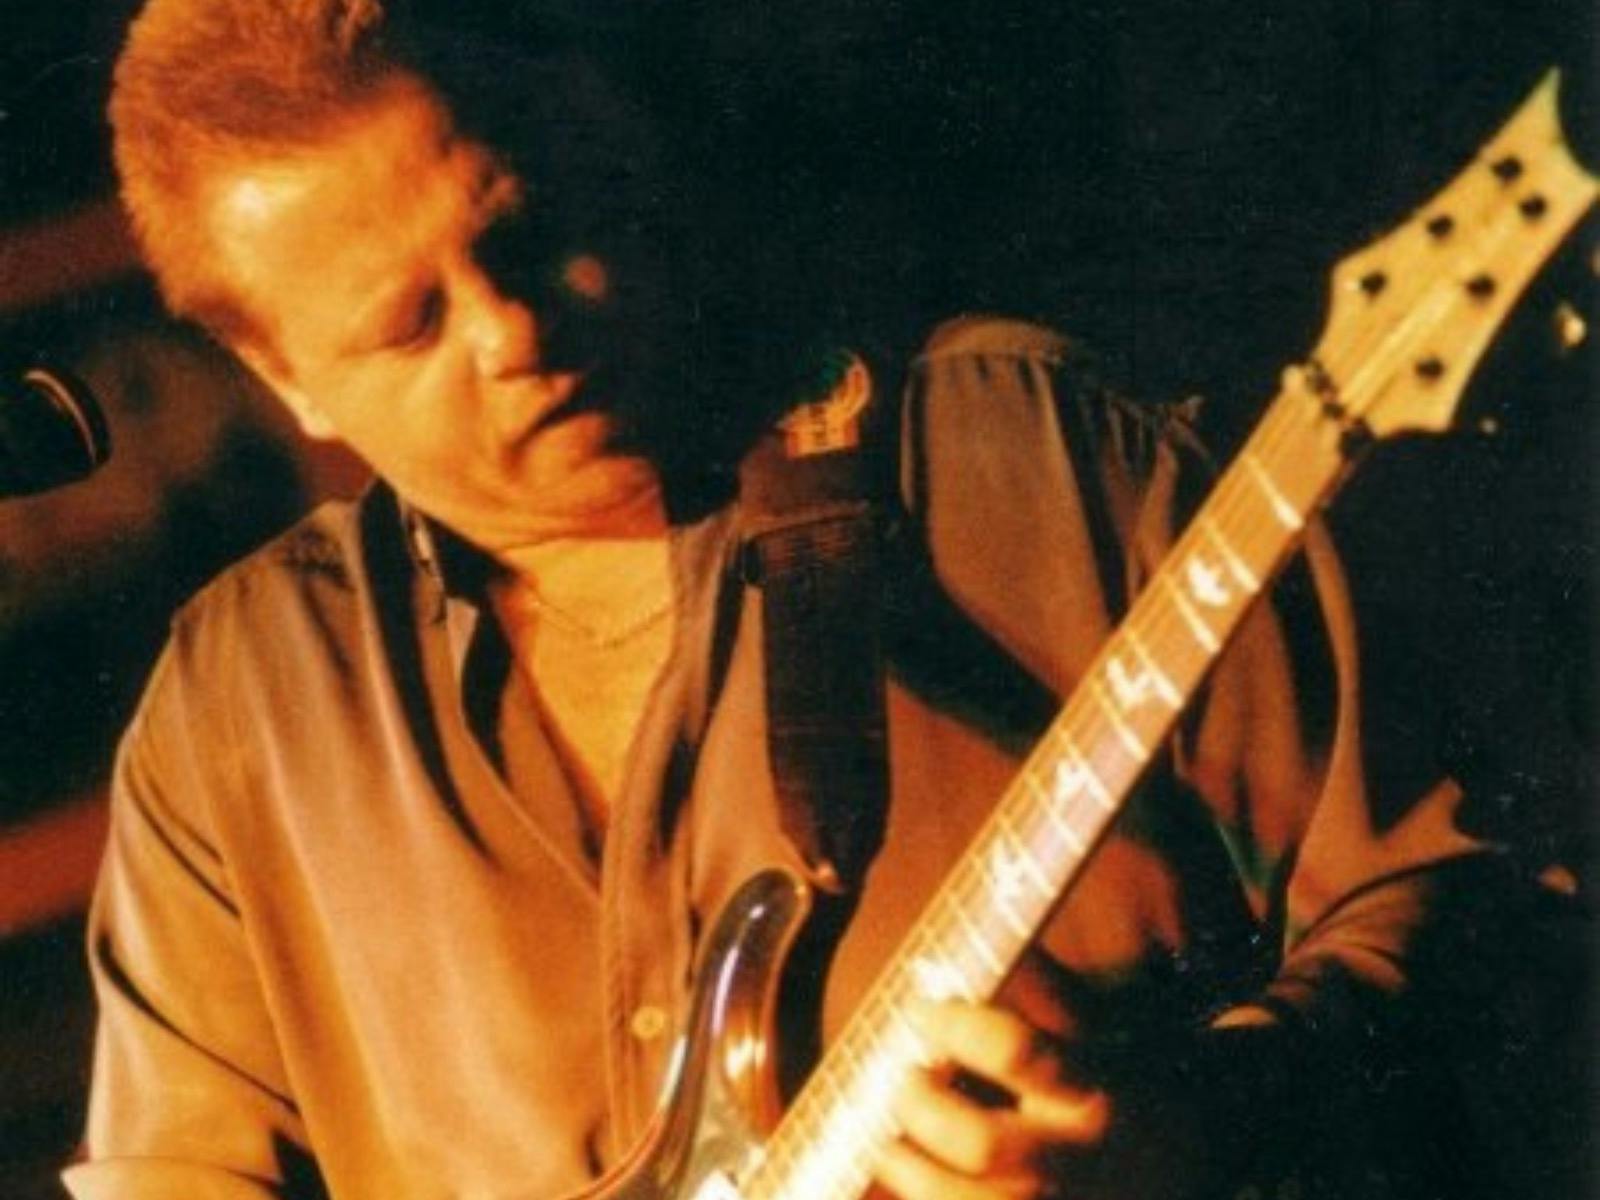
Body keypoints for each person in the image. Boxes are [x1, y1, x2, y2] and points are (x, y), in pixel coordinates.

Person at [64, 1, 1587, 1197]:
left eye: (524, 233)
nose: (514, 332)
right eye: (409, 325)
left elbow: (1492, 908)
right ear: (283, 376)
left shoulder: (1028, 460)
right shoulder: (236, 710)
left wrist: (1186, 1131)